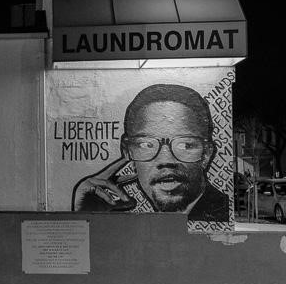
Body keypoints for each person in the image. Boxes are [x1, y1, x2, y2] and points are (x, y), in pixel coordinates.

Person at [71, 84, 229, 222]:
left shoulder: (221, 213)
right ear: (128, 152)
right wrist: (83, 212)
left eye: (185, 144)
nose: (166, 160)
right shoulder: (125, 213)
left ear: (206, 154)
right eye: (146, 144)